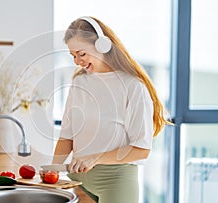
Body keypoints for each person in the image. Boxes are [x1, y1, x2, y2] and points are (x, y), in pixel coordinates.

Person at [52, 16, 171, 203]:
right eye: (73, 55)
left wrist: (95, 158)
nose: (77, 61)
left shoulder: (133, 86)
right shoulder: (79, 82)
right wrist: (52, 170)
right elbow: (67, 136)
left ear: (102, 46)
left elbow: (141, 150)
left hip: (116, 182)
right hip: (77, 179)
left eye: (81, 54)